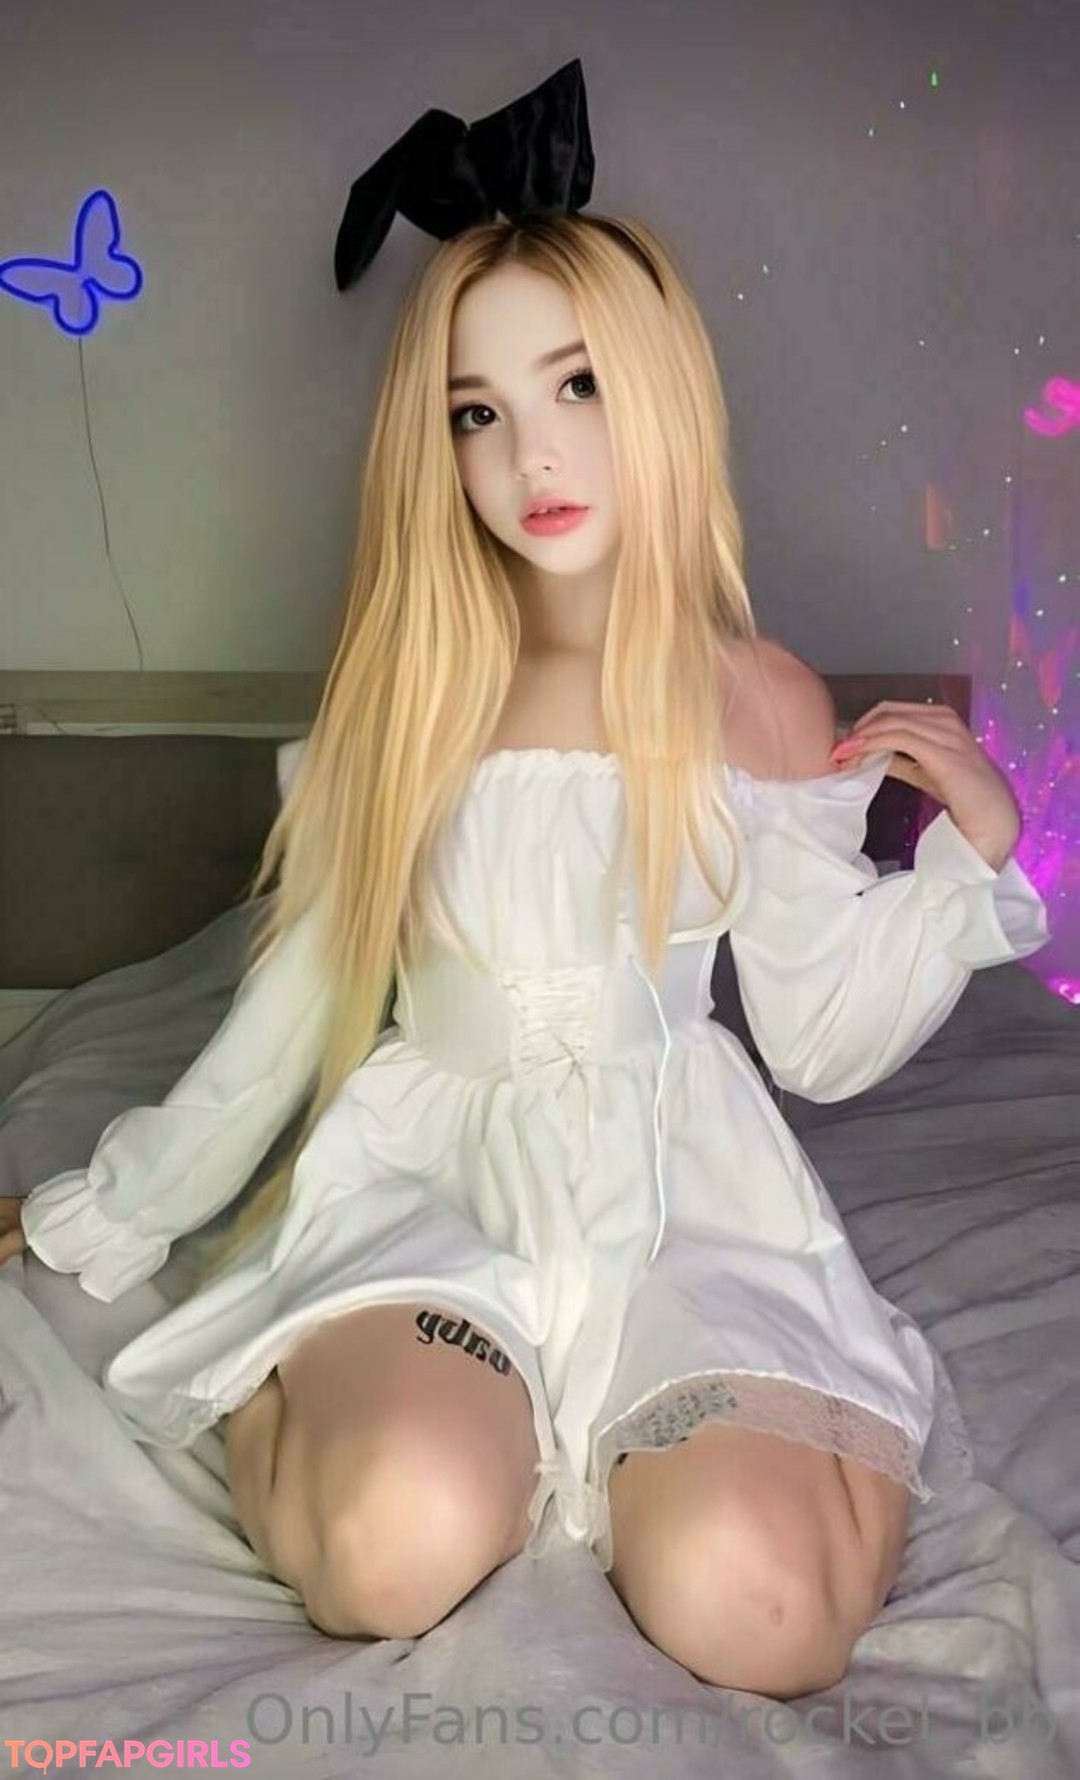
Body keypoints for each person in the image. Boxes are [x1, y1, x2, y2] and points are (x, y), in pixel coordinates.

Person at [1, 211, 1049, 1700]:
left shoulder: (757, 699)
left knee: (760, 1604)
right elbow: (295, 1008)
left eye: (577, 386)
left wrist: (968, 863)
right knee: (391, 1541)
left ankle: (674, 1442)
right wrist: (115, 1207)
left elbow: (819, 1039)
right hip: (435, 1178)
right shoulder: (410, 694)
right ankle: (376, 1399)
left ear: (661, 390)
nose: (530, 457)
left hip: (685, 1191)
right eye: (476, 413)